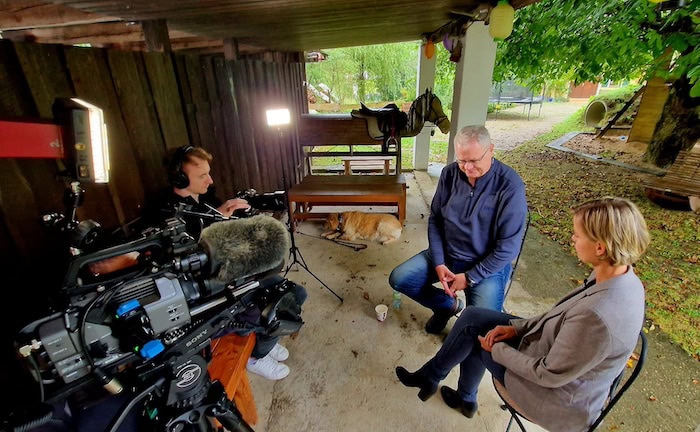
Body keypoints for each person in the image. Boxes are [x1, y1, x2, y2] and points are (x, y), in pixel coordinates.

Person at [395, 197, 650, 432]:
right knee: (473, 316)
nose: (572, 239)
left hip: (552, 397)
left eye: (577, 234)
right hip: (550, 348)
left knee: (475, 335)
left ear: (600, 248)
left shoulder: (598, 315)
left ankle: (449, 388)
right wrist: (516, 328)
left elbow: (547, 374)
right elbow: (557, 316)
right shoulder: (618, 275)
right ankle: (454, 391)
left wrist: (498, 350)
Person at [142, 145, 306, 381]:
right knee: (281, 305)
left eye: (208, 173)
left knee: (293, 293)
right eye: (202, 176)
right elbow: (186, 257)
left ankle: (266, 339)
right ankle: (257, 355)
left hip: (233, 272)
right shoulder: (166, 213)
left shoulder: (205, 197)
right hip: (209, 291)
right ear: (180, 178)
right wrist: (219, 221)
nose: (210, 180)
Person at [389, 125, 528, 334]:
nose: (467, 168)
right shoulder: (450, 173)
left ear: (491, 150)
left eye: (474, 160)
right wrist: (438, 261)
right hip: (448, 255)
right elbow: (436, 219)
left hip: (486, 266)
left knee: (483, 329)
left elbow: (508, 248)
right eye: (461, 160)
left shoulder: (510, 186)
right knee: (399, 278)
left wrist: (470, 277)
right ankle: (447, 306)